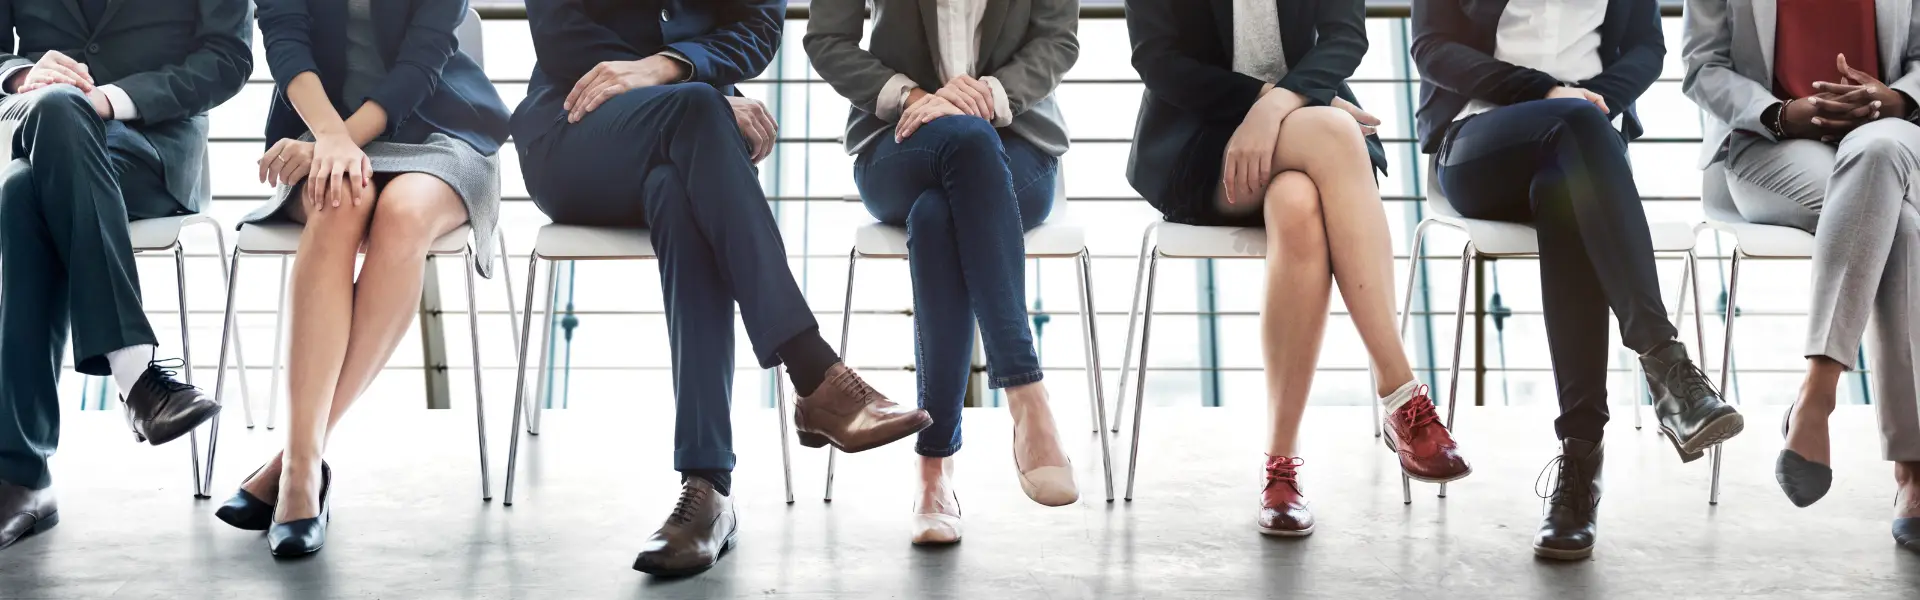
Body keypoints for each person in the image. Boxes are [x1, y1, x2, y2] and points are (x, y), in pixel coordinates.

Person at [514, 0, 933, 575]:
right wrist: (692, 93)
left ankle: (707, 492)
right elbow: (558, 33)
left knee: (681, 191)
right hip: (573, 132)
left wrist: (672, 69)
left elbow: (760, 27)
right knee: (693, 117)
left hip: (694, 136)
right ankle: (813, 371)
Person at [1126, 0, 1471, 538]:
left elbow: (1345, 37)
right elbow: (1158, 60)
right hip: (1204, 135)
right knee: (1335, 134)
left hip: (1308, 121)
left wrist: (1282, 104)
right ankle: (1401, 394)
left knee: (1296, 204)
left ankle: (1280, 469)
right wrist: (1263, 103)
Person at [1413, 0, 1743, 560]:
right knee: (1576, 135)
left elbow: (1646, 48)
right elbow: (1432, 47)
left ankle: (1579, 467)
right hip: (1476, 141)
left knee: (1567, 190)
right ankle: (1664, 363)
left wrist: (1593, 100)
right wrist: (1545, 94)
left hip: (1583, 149)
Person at [207, 0, 511, 558]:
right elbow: (285, 39)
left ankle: (296, 463)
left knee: (403, 215)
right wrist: (329, 139)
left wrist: (343, 139)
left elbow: (424, 62)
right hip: (318, 130)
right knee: (338, 197)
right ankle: (302, 470)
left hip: (442, 129)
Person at [805, 0, 1082, 545]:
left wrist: (987, 96)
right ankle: (1027, 395)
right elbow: (827, 40)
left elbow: (1058, 39)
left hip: (1016, 139)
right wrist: (913, 96)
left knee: (935, 215)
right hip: (899, 140)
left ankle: (933, 468)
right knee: (966, 144)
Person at [0, 0, 251, 551]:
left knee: (20, 197)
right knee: (58, 110)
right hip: (40, 120)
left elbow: (228, 58)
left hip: (150, 146)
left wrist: (113, 100)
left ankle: (22, 477)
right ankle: (138, 377)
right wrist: (19, 73)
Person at [1683, 0, 1920, 554]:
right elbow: (1703, 67)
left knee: (1880, 151)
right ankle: (1913, 470)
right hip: (1772, 144)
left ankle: (1818, 391)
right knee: (1901, 227)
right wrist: (1779, 114)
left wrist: (1896, 99)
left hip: (1889, 134)